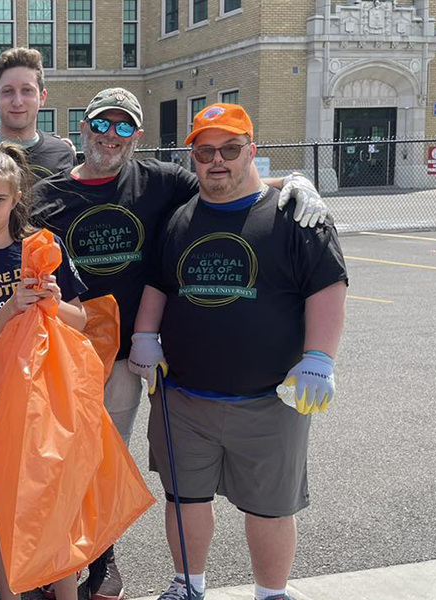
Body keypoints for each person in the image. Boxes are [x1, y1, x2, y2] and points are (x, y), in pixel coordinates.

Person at [27, 88, 330, 600]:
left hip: (124, 360)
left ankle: (100, 559)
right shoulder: (49, 194)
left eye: (125, 127)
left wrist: (293, 182)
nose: (112, 135)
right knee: (55, 463)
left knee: (104, 465)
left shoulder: (160, 182)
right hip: (65, 354)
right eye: (103, 123)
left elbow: (231, 184)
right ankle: (48, 559)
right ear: (85, 126)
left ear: (138, 137)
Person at [128, 104, 348, 600]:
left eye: (230, 148)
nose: (217, 161)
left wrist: (320, 357)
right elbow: (160, 285)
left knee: (271, 507)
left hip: (271, 400)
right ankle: (188, 584)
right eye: (205, 151)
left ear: (252, 149)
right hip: (183, 398)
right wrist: (145, 336)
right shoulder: (180, 217)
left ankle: (271, 592)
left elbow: (328, 287)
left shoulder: (296, 215)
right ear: (194, 158)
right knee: (184, 497)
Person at [0, 144, 89, 600]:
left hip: (46, 407)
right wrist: (10, 307)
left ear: (16, 198)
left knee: (55, 510)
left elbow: (81, 321)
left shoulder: (42, 249)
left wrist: (52, 301)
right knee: (2, 513)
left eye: (0, 199)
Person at [0, 47, 75, 181]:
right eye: (7, 91)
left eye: (27, 90)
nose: (17, 102)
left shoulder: (62, 155)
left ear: (42, 97)